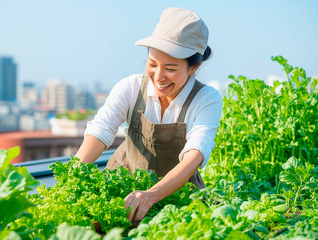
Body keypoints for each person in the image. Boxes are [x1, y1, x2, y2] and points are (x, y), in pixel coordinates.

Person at [75, 7, 222, 221]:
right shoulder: (131, 87)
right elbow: (101, 130)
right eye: (152, 64)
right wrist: (74, 172)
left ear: (194, 67)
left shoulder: (206, 99)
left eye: (170, 69)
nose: (159, 76)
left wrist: (151, 195)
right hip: (123, 188)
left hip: (179, 197)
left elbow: (195, 154)